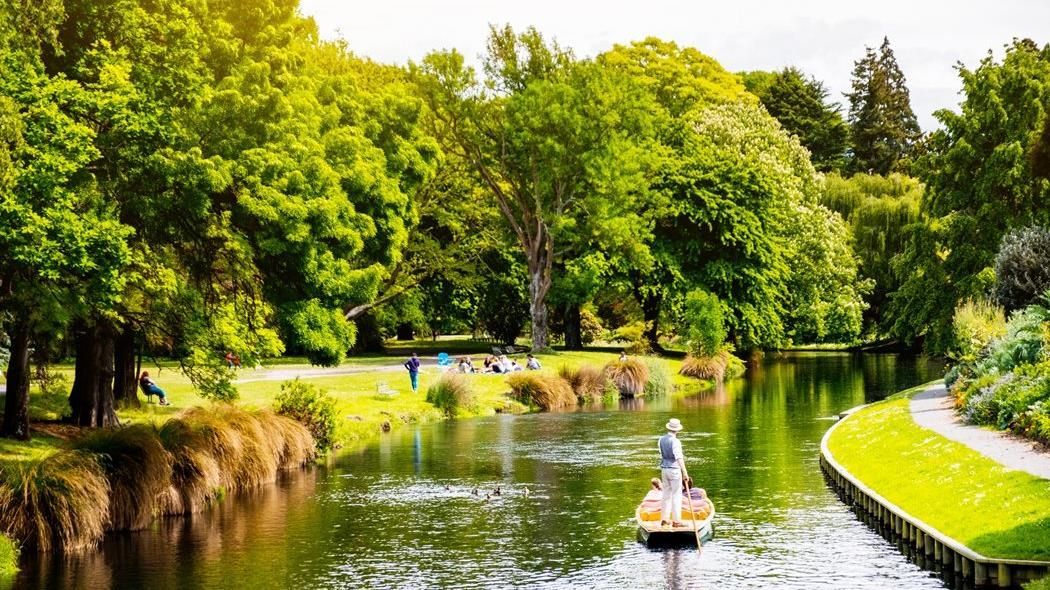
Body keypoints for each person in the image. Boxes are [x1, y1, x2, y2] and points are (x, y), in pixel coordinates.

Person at [658, 418, 691, 528]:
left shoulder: (661, 439)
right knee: (676, 495)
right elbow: (678, 457)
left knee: (666, 494)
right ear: (677, 430)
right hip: (674, 470)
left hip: (664, 469)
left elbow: (662, 454)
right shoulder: (676, 441)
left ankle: (664, 519)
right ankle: (677, 521)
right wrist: (685, 472)